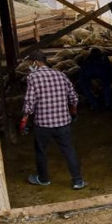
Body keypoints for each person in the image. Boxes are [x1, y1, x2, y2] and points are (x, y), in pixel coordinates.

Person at [20, 50, 87, 189]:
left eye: (30, 63)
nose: (30, 65)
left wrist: (24, 119)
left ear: (35, 62)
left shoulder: (33, 78)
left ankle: (43, 179)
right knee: (69, 150)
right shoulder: (61, 75)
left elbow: (29, 102)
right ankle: (78, 181)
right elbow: (74, 97)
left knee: (41, 151)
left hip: (43, 124)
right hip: (63, 122)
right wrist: (73, 112)